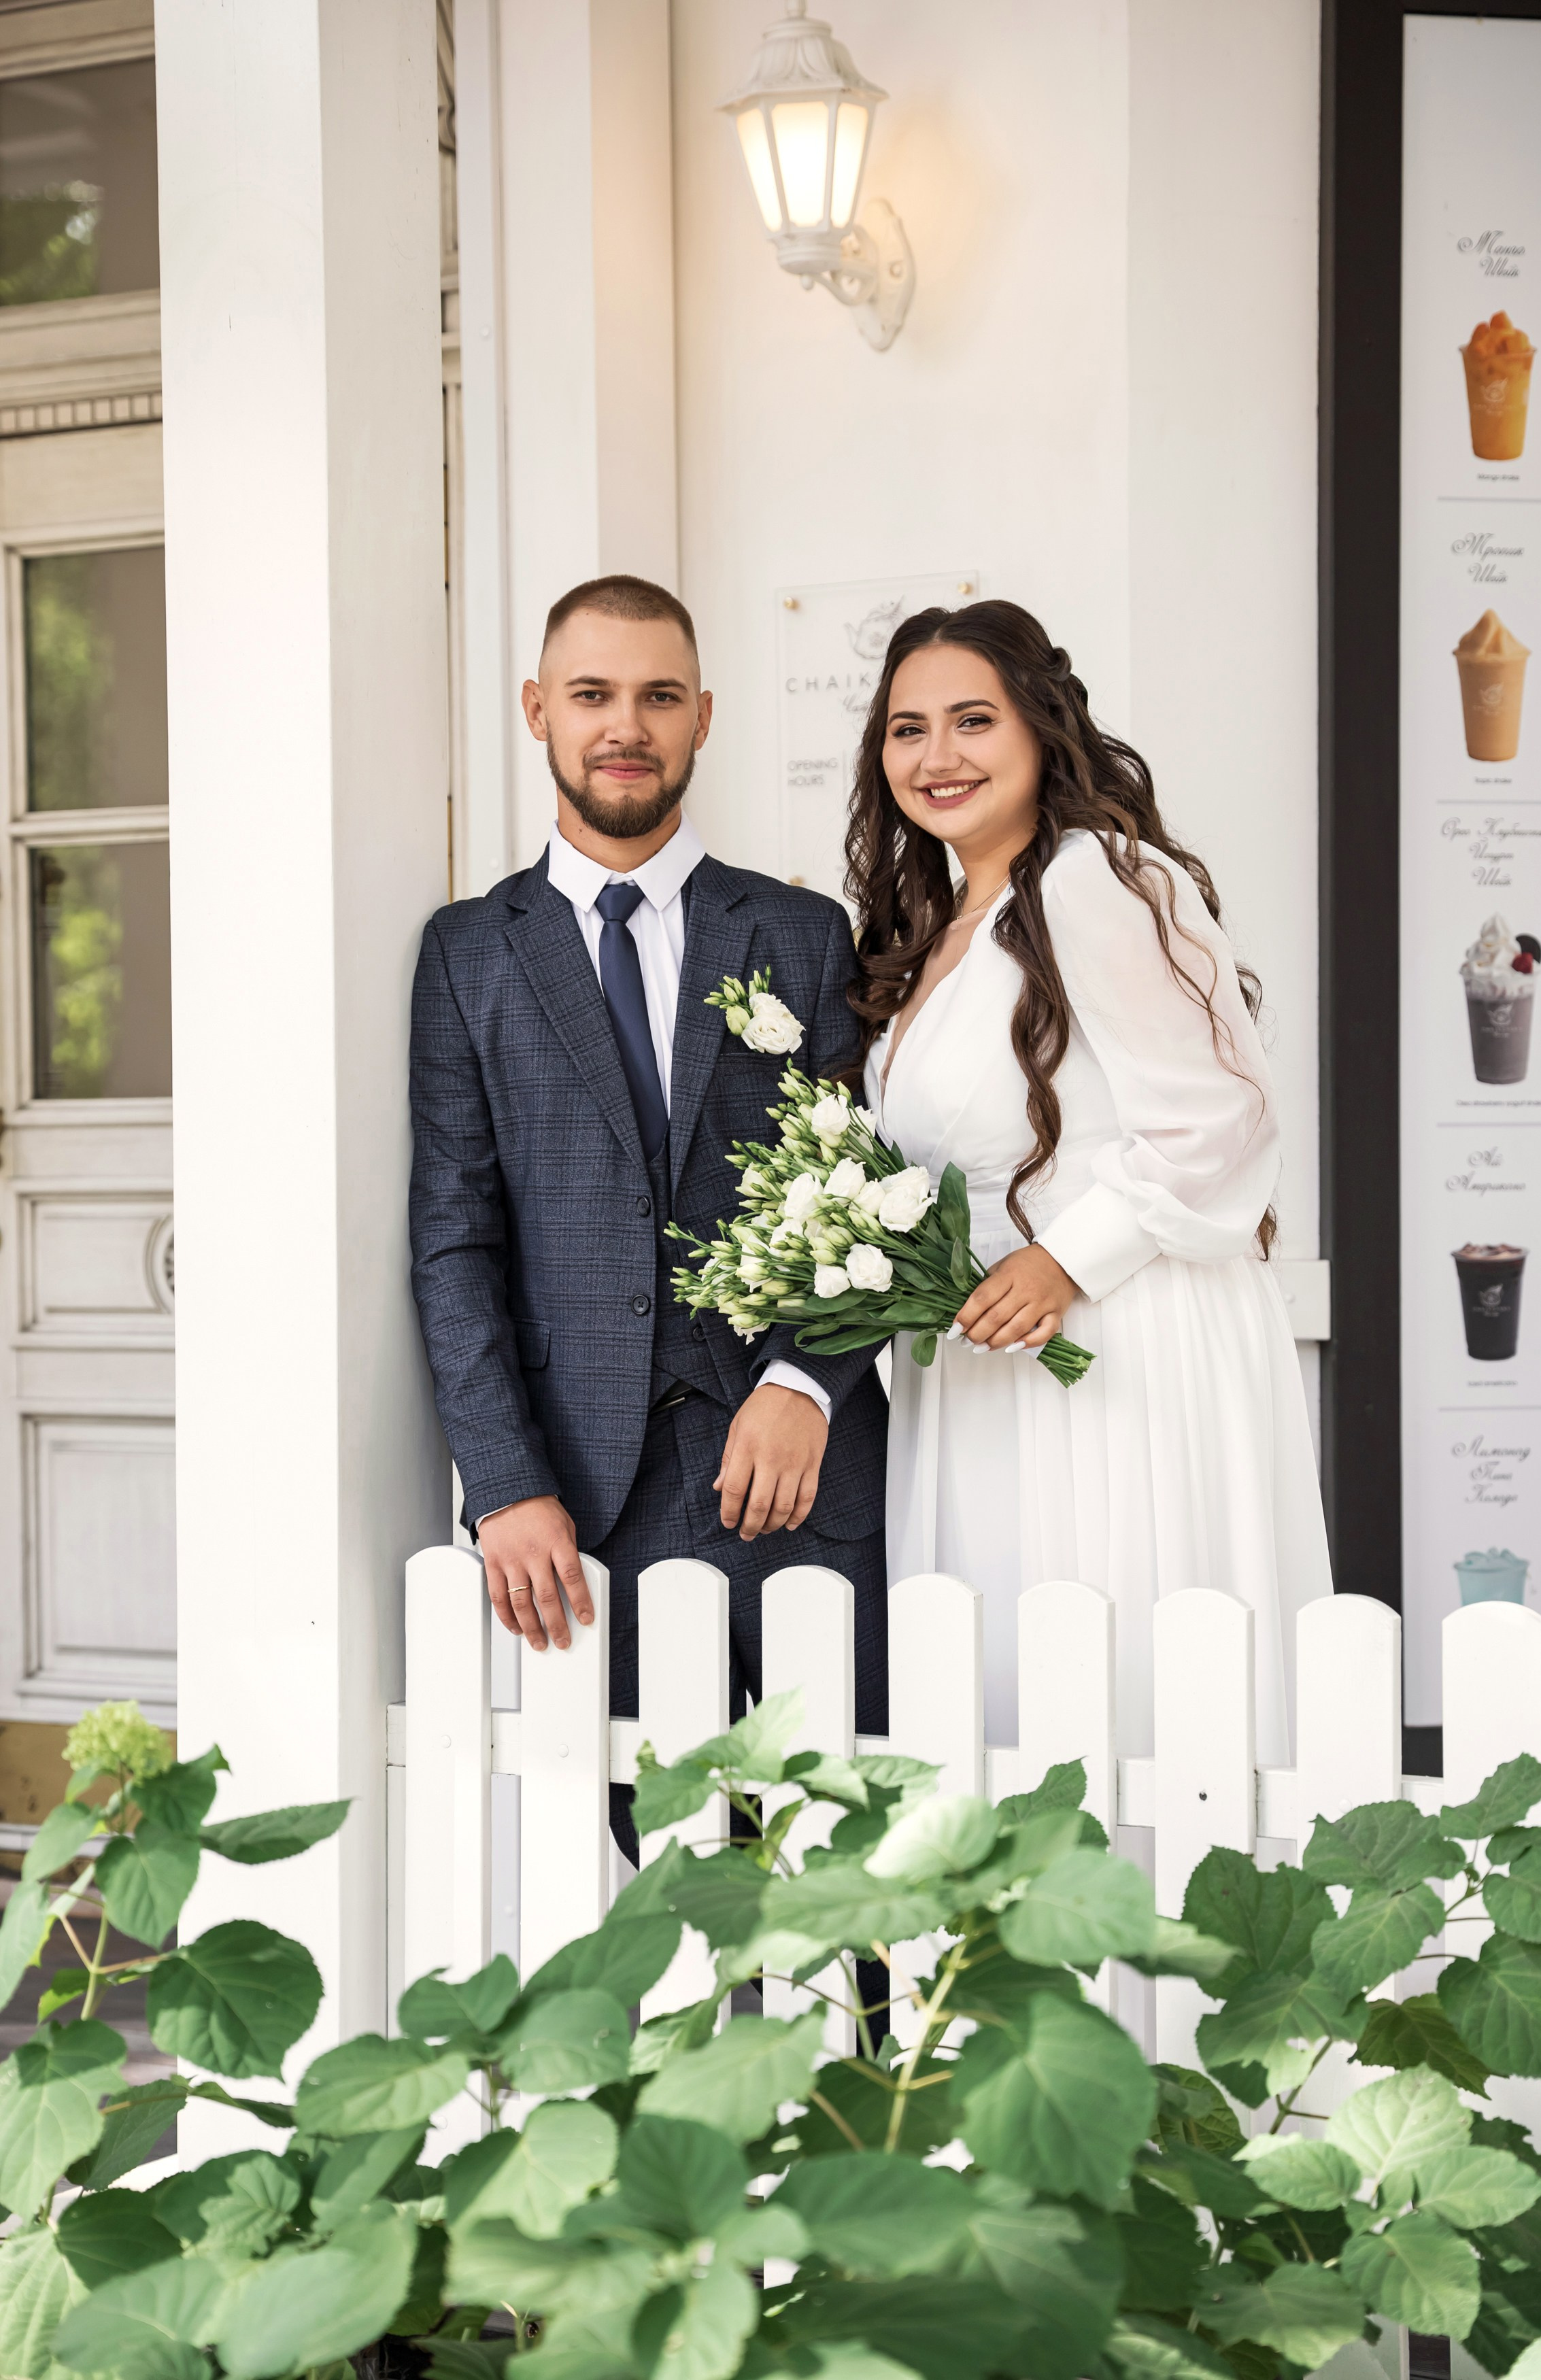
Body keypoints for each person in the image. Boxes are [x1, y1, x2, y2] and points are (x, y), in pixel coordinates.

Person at [409, 575, 888, 1859]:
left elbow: (866, 1194)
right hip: (585, 1495)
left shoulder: (801, 933)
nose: (626, 726)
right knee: (673, 1858)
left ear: (702, 718)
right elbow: (454, 1240)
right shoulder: (467, 952)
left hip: (796, 1476)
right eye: (593, 695)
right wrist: (503, 1483)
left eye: (658, 696)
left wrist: (803, 1379)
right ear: (538, 711)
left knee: (861, 1858)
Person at [847, 599, 1331, 1763]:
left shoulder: (1092, 881)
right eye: (908, 729)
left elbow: (1222, 1112)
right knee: (1003, 1693)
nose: (937, 755)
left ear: (1040, 725)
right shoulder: (935, 926)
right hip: (982, 1365)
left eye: (973, 720)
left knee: (1127, 1682)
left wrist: (1067, 1260)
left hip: (1117, 1345)